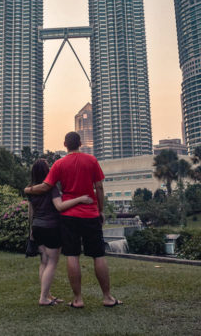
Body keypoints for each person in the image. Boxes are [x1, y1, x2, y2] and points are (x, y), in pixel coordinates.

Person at [25, 132, 122, 308]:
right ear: (81, 143)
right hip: (90, 214)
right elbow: (99, 186)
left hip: (68, 216)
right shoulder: (91, 160)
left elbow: (46, 186)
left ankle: (78, 299)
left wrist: (28, 190)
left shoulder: (59, 164)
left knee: (72, 255)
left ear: (65, 144)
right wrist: (100, 209)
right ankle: (107, 297)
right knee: (98, 255)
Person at [27, 158, 92, 306]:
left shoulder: (31, 189)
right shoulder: (52, 188)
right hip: (51, 228)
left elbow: (30, 212)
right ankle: (43, 298)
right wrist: (80, 199)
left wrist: (31, 229)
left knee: (44, 261)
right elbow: (60, 206)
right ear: (46, 171)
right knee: (52, 262)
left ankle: (47, 294)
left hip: (37, 227)